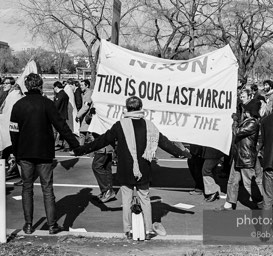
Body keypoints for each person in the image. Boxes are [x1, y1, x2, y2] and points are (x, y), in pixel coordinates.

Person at [73, 96, 191, 240]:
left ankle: (128, 231)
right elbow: (164, 142)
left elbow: (102, 140)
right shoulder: (149, 126)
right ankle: (148, 230)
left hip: (125, 169)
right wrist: (182, 153)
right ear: (141, 108)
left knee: (127, 199)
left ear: (127, 108)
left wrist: (82, 149)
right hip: (144, 169)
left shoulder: (119, 125)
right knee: (145, 199)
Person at [10, 73, 80, 235]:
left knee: (27, 188)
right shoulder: (47, 104)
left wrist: (15, 153)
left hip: (24, 152)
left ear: (26, 86)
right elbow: (62, 126)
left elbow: (13, 131)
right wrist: (76, 145)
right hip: (44, 152)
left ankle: (28, 225)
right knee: (47, 189)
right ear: (41, 86)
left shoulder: (18, 105)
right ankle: (51, 225)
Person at [218, 99, 263, 210]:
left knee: (249, 184)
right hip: (239, 155)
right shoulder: (248, 121)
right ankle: (229, 204)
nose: (244, 111)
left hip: (245, 157)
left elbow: (237, 132)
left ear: (250, 111)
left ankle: (262, 204)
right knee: (232, 181)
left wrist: (235, 121)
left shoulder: (252, 122)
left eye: (246, 110)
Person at [76, 79, 93, 146]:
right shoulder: (85, 93)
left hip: (87, 117)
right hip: (85, 117)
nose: (81, 87)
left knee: (86, 134)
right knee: (83, 133)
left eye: (82, 85)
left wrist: (78, 115)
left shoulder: (88, 94)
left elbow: (86, 107)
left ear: (87, 85)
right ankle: (81, 149)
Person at [53, 81, 69, 150]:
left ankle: (51, 145)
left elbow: (56, 105)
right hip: (63, 115)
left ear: (56, 87)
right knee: (62, 131)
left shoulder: (60, 95)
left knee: (54, 132)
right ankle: (63, 144)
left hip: (58, 115)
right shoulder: (65, 94)